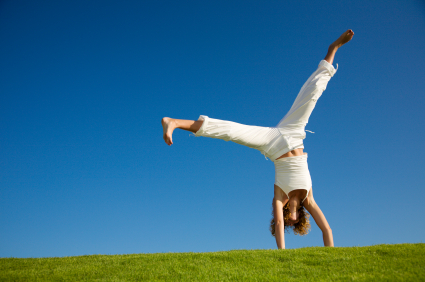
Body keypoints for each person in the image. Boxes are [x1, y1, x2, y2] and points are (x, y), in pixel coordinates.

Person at [161, 30, 354, 249]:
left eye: (289, 223)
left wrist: (282, 255)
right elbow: (327, 228)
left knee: (231, 131)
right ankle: (333, 49)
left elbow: (279, 222)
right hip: (293, 132)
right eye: (295, 222)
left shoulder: (279, 197)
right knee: (313, 92)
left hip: (272, 144)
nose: (290, 222)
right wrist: (332, 255)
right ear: (300, 217)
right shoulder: (308, 199)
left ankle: (173, 122)